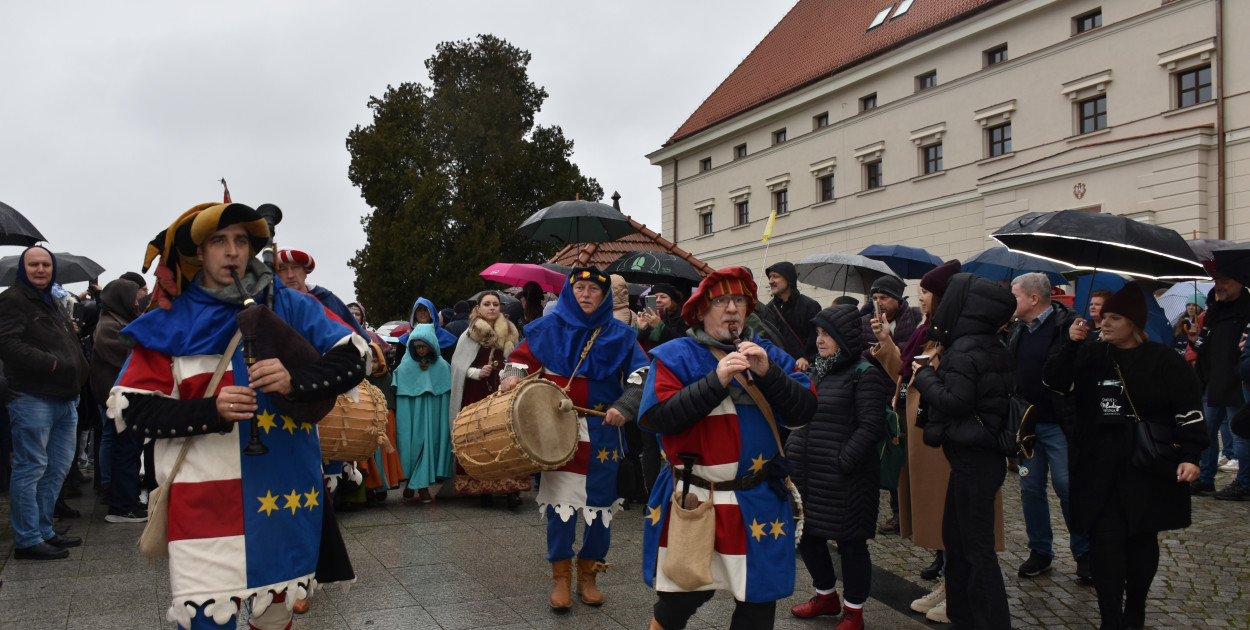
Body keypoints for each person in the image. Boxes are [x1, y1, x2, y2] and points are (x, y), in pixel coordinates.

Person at [109, 202, 367, 629]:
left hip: (284, 492)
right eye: (219, 241)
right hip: (206, 497)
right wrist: (210, 410)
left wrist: (295, 381)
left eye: (241, 241)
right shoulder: (169, 320)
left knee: (276, 619)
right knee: (207, 620)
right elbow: (132, 410)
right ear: (199, 252)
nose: (232, 251)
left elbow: (354, 358)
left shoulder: (289, 304)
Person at [638, 266, 817, 630]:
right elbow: (658, 418)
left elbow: (803, 411)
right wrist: (715, 382)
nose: (732, 308)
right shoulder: (675, 355)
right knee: (681, 598)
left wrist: (769, 375)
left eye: (739, 300)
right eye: (721, 301)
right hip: (696, 498)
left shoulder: (769, 354)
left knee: (758, 603)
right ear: (701, 310)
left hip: (757, 500)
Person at [1047, 283, 1206, 630]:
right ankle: (1110, 619)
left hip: (1148, 464)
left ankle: (1135, 611)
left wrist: (1191, 455)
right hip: (1099, 465)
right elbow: (1055, 381)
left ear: (1133, 323)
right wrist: (1070, 344)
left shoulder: (1164, 360)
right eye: (1104, 317)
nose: (1104, 323)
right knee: (1105, 541)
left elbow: (1188, 408)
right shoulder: (1092, 353)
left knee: (1142, 538)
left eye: (1114, 318)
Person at [498, 266, 649, 611]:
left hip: (603, 434)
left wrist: (625, 405)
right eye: (579, 288)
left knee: (600, 507)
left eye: (593, 289)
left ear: (604, 296)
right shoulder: (546, 328)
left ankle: (589, 576)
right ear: (569, 292)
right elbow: (517, 361)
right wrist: (510, 378)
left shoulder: (621, 335)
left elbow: (642, 375)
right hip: (556, 433)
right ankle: (561, 579)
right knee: (560, 508)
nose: (585, 294)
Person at [913, 272, 1016, 629]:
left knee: (975, 550)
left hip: (974, 459)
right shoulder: (985, 343)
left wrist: (925, 376)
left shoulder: (966, 348)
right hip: (974, 458)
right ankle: (964, 616)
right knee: (957, 543)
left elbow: (955, 401)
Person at [788, 305, 888, 629]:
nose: (820, 340)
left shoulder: (865, 374)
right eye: (818, 333)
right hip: (809, 474)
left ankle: (854, 611)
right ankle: (826, 596)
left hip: (848, 478)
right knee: (808, 536)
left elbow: (871, 427)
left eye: (827, 334)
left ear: (843, 337)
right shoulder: (817, 371)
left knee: (851, 543)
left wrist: (843, 461)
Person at [0, 246, 89, 560]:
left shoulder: (51, 300)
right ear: (23, 269)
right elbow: (7, 343)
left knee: (57, 467)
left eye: (46, 265)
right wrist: (51, 363)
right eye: (34, 264)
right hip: (33, 396)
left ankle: (43, 529)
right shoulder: (13, 299)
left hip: (65, 396)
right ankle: (27, 540)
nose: (40, 270)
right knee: (31, 467)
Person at [1005, 273, 1090, 581]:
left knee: (1068, 486)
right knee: (1030, 488)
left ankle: (1084, 552)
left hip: (1059, 423)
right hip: (1028, 425)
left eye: (1015, 295)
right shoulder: (1017, 329)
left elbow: (1080, 371)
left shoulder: (1067, 326)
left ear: (1033, 299)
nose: (1010, 301)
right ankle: (1040, 550)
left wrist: (1076, 342)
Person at [449, 291, 526, 508]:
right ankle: (483, 488)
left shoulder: (511, 333)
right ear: (478, 308)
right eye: (487, 304)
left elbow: (518, 362)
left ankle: (512, 489)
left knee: (507, 437)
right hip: (477, 393)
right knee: (480, 440)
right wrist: (476, 372)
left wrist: (509, 375)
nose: (492, 307)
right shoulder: (469, 335)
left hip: (503, 392)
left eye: (495, 304)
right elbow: (457, 367)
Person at [863, 274, 923, 535]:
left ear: (898, 299)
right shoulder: (865, 322)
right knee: (888, 457)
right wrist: (877, 349)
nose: (879, 303)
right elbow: (858, 353)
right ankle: (897, 512)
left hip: (907, 397)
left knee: (909, 457)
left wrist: (891, 346)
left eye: (885, 297)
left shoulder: (917, 319)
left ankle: (914, 511)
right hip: (878, 396)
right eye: (875, 298)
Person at [89, 278, 148, 523]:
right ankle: (122, 506)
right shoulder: (110, 327)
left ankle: (127, 499)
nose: (136, 302)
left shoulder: (117, 322)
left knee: (130, 451)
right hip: (121, 398)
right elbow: (131, 357)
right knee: (125, 451)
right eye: (133, 297)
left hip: (125, 397)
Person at [1191, 267, 1250, 498]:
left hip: (1238, 381)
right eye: (1217, 281)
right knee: (1206, 431)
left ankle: (1245, 483)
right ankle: (1205, 479)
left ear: (1239, 282)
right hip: (1213, 379)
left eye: (1224, 281)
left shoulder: (1247, 309)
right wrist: (1195, 340)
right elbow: (1203, 347)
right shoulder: (1214, 311)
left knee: (1240, 433)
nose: (1218, 286)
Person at [393, 323, 453, 503]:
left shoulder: (442, 366)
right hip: (411, 415)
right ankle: (413, 482)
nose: (420, 350)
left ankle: (421, 486)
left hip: (433, 414)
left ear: (432, 345)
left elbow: (447, 394)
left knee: (429, 445)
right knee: (411, 446)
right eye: (417, 346)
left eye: (424, 346)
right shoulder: (404, 367)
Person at [762, 261, 822, 371]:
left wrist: (807, 358)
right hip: (778, 369)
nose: (770, 281)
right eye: (770, 277)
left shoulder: (810, 306)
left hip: (804, 370)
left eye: (775, 276)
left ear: (788, 279)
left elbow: (816, 336)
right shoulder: (768, 310)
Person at [635, 283, 687, 352]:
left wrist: (659, 327)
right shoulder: (644, 317)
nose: (658, 300)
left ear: (672, 301)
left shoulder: (683, 318)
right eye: (654, 297)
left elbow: (683, 345)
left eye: (663, 297)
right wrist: (639, 330)